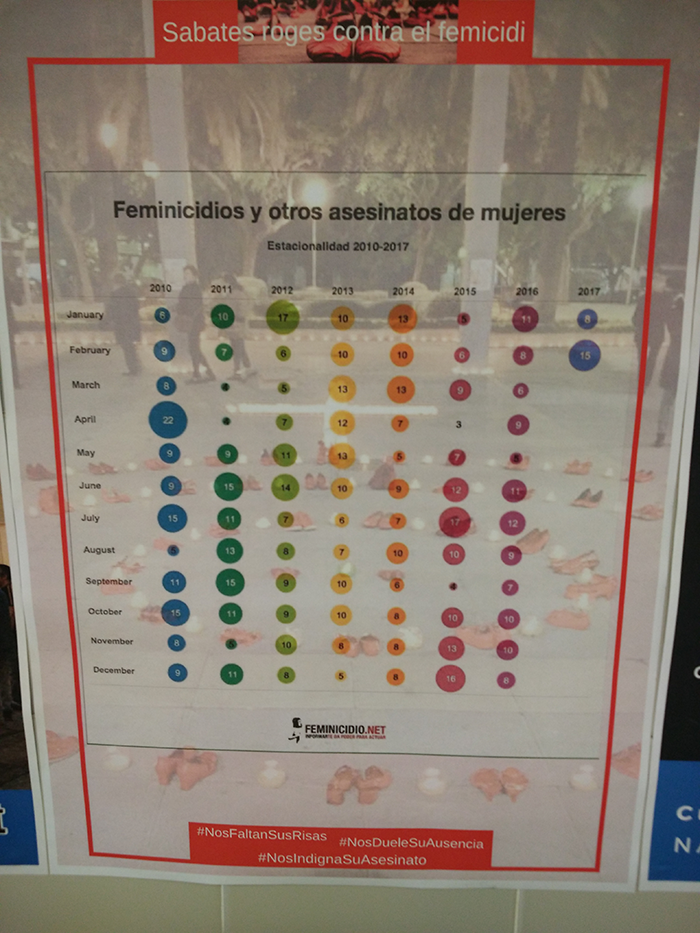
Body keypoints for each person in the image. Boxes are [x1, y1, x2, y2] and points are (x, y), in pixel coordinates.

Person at [175, 265, 215, 383]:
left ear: (194, 275)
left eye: (188, 273)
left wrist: (182, 310)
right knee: (194, 348)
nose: (185, 276)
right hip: (190, 322)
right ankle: (206, 372)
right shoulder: (186, 288)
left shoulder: (195, 289)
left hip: (194, 322)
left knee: (194, 348)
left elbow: (192, 306)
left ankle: (198, 374)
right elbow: (182, 303)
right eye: (185, 274)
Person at [105, 273, 142, 375]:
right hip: (132, 323)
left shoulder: (115, 294)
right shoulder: (132, 292)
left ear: (115, 282)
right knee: (131, 347)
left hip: (121, 324)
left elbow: (111, 309)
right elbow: (136, 307)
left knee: (127, 347)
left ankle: (133, 369)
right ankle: (135, 367)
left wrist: (105, 322)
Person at [0, 565, 17, 721]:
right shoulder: (3, 595)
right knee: (5, 674)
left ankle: (6, 704)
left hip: (4, 641)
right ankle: (6, 706)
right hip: (4, 641)